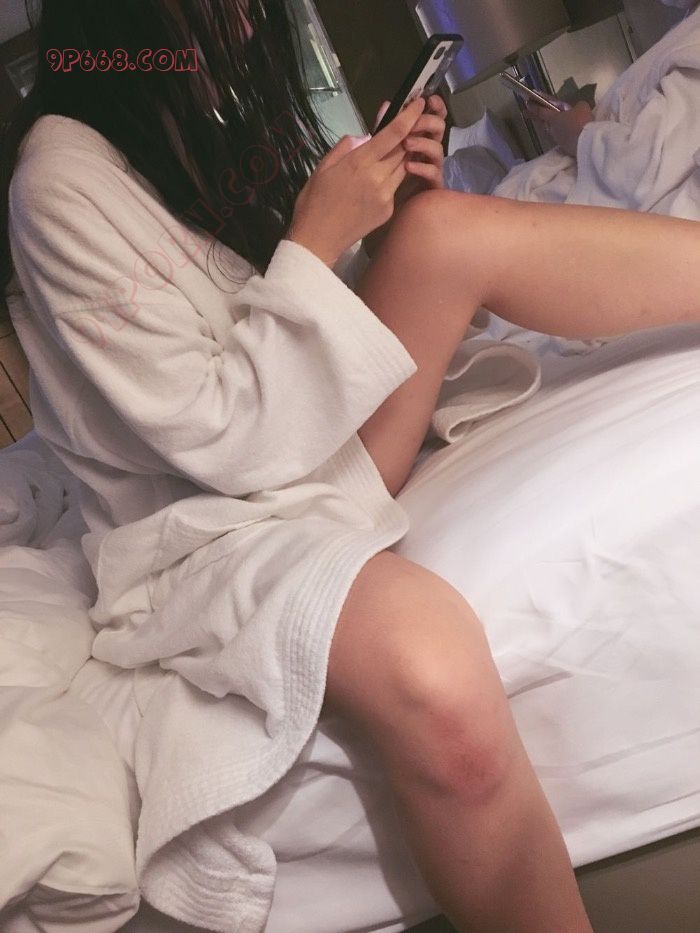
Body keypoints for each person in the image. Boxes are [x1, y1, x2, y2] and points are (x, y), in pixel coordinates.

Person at [1, 2, 698, 931]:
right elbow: (223, 436)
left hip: (302, 448)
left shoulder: (185, 122)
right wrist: (315, 237)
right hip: (217, 518)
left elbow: (276, 326)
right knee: (432, 673)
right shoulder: (58, 180)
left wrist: (380, 223)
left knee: (441, 231)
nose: (246, 20)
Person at [491, 0, 700, 215]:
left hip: (559, 220)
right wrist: (571, 124)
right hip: (536, 212)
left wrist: (579, 134)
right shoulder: (689, 27)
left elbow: (650, 171)